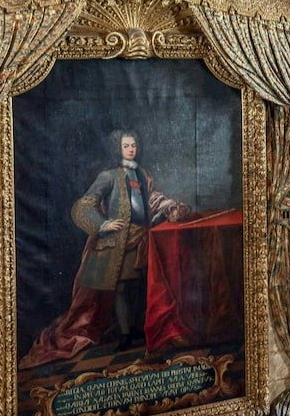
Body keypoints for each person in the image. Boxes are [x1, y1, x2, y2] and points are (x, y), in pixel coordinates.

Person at [21, 130, 190, 367]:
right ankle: (124, 335)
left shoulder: (143, 175)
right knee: (119, 288)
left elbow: (153, 198)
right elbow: (83, 206)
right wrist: (103, 223)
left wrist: (171, 206)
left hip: (141, 239)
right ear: (118, 149)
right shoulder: (108, 176)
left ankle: (136, 328)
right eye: (126, 146)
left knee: (138, 285)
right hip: (116, 241)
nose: (131, 149)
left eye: (133, 145)